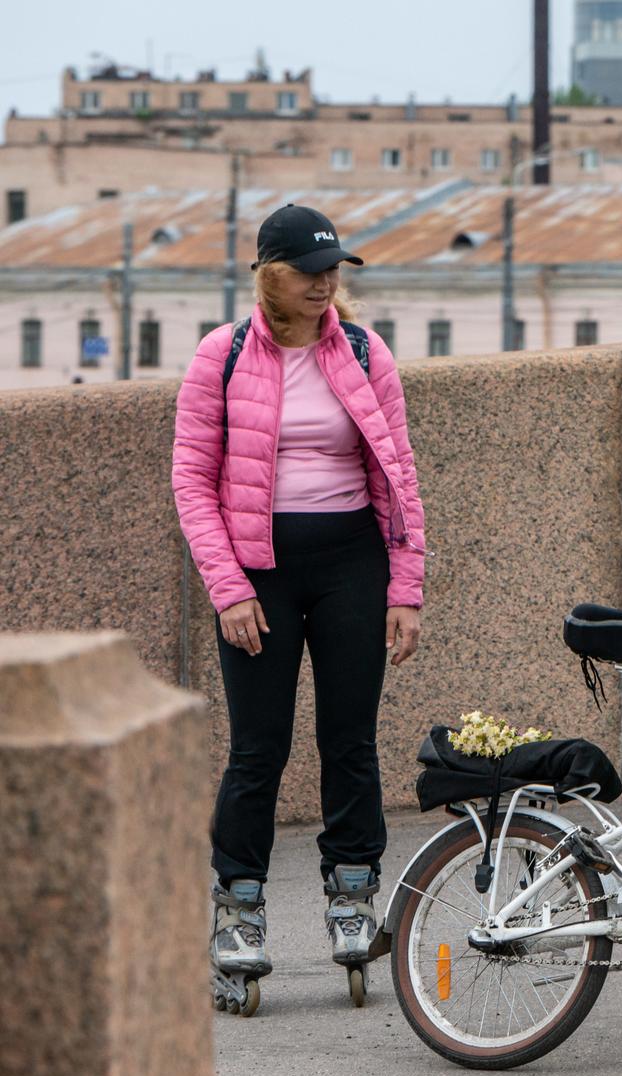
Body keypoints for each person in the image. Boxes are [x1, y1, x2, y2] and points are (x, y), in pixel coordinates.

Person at [173, 203, 425, 1008]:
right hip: (260, 568)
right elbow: (191, 481)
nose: (326, 285)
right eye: (312, 272)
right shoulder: (222, 356)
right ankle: (239, 912)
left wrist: (405, 587)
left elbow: (400, 473)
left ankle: (352, 895)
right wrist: (229, 588)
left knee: (349, 737)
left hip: (351, 559)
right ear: (271, 275)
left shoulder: (359, 349)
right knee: (259, 748)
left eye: (334, 272)